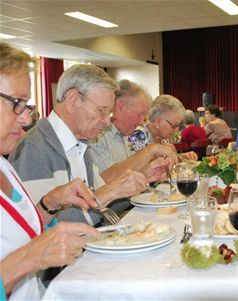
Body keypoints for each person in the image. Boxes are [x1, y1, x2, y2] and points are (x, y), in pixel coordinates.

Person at [9, 64, 171, 226]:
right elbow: (40, 227)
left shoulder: (81, 143)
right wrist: (110, 192)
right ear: (73, 100)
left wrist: (142, 179)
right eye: (101, 110)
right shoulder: (32, 148)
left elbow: (104, 203)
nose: (107, 121)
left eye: (109, 113)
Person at [0, 42, 100, 300]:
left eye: (27, 105)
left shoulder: (5, 165)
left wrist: (50, 204)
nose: (25, 118)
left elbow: (22, 231)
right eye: (16, 103)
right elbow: (27, 254)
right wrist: (29, 258)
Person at [88, 79, 177, 183]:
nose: (141, 123)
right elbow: (106, 181)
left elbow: (129, 173)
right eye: (139, 115)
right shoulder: (97, 135)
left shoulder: (126, 134)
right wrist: (151, 149)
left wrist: (150, 173)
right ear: (120, 107)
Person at [127, 94, 197, 160]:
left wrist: (182, 157)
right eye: (174, 125)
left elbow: (166, 160)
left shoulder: (163, 138)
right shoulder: (138, 136)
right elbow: (136, 168)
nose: (176, 130)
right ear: (158, 122)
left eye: (178, 125)